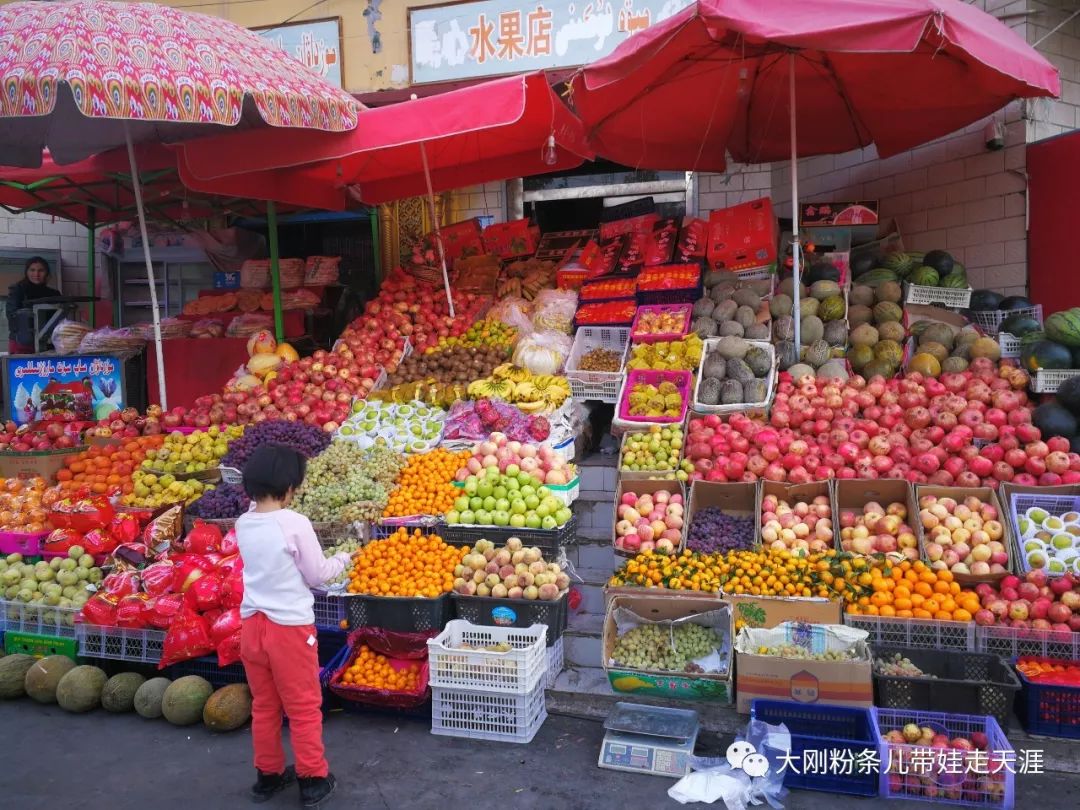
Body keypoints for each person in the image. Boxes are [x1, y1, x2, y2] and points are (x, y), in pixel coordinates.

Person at [237, 443, 352, 807]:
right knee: (303, 707)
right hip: (289, 629)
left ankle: (267, 776)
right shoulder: (294, 523)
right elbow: (317, 575)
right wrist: (343, 558)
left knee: (265, 705)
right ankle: (313, 779)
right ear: (289, 486)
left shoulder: (243, 523)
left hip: (252, 627)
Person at [6, 256, 61, 354]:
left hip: (48, 343)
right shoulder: (18, 290)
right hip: (22, 342)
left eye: (41, 270)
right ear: (26, 272)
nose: (36, 274)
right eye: (32, 270)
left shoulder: (54, 294)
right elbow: (11, 314)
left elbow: (60, 321)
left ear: (46, 272)